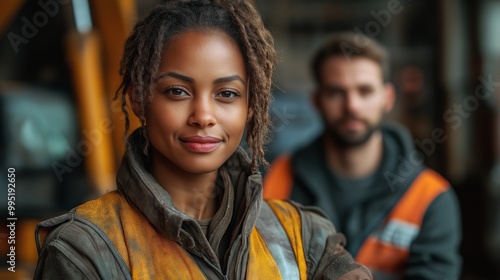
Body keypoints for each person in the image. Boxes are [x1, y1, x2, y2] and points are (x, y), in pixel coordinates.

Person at [33, 1, 372, 279]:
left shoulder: (305, 237)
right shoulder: (84, 249)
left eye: (226, 93)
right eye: (177, 91)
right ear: (139, 98)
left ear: (251, 106)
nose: (203, 115)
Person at [263, 33, 462, 279]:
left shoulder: (430, 198)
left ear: (387, 98)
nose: (352, 106)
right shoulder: (274, 181)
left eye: (365, 91)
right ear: (317, 100)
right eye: (336, 92)